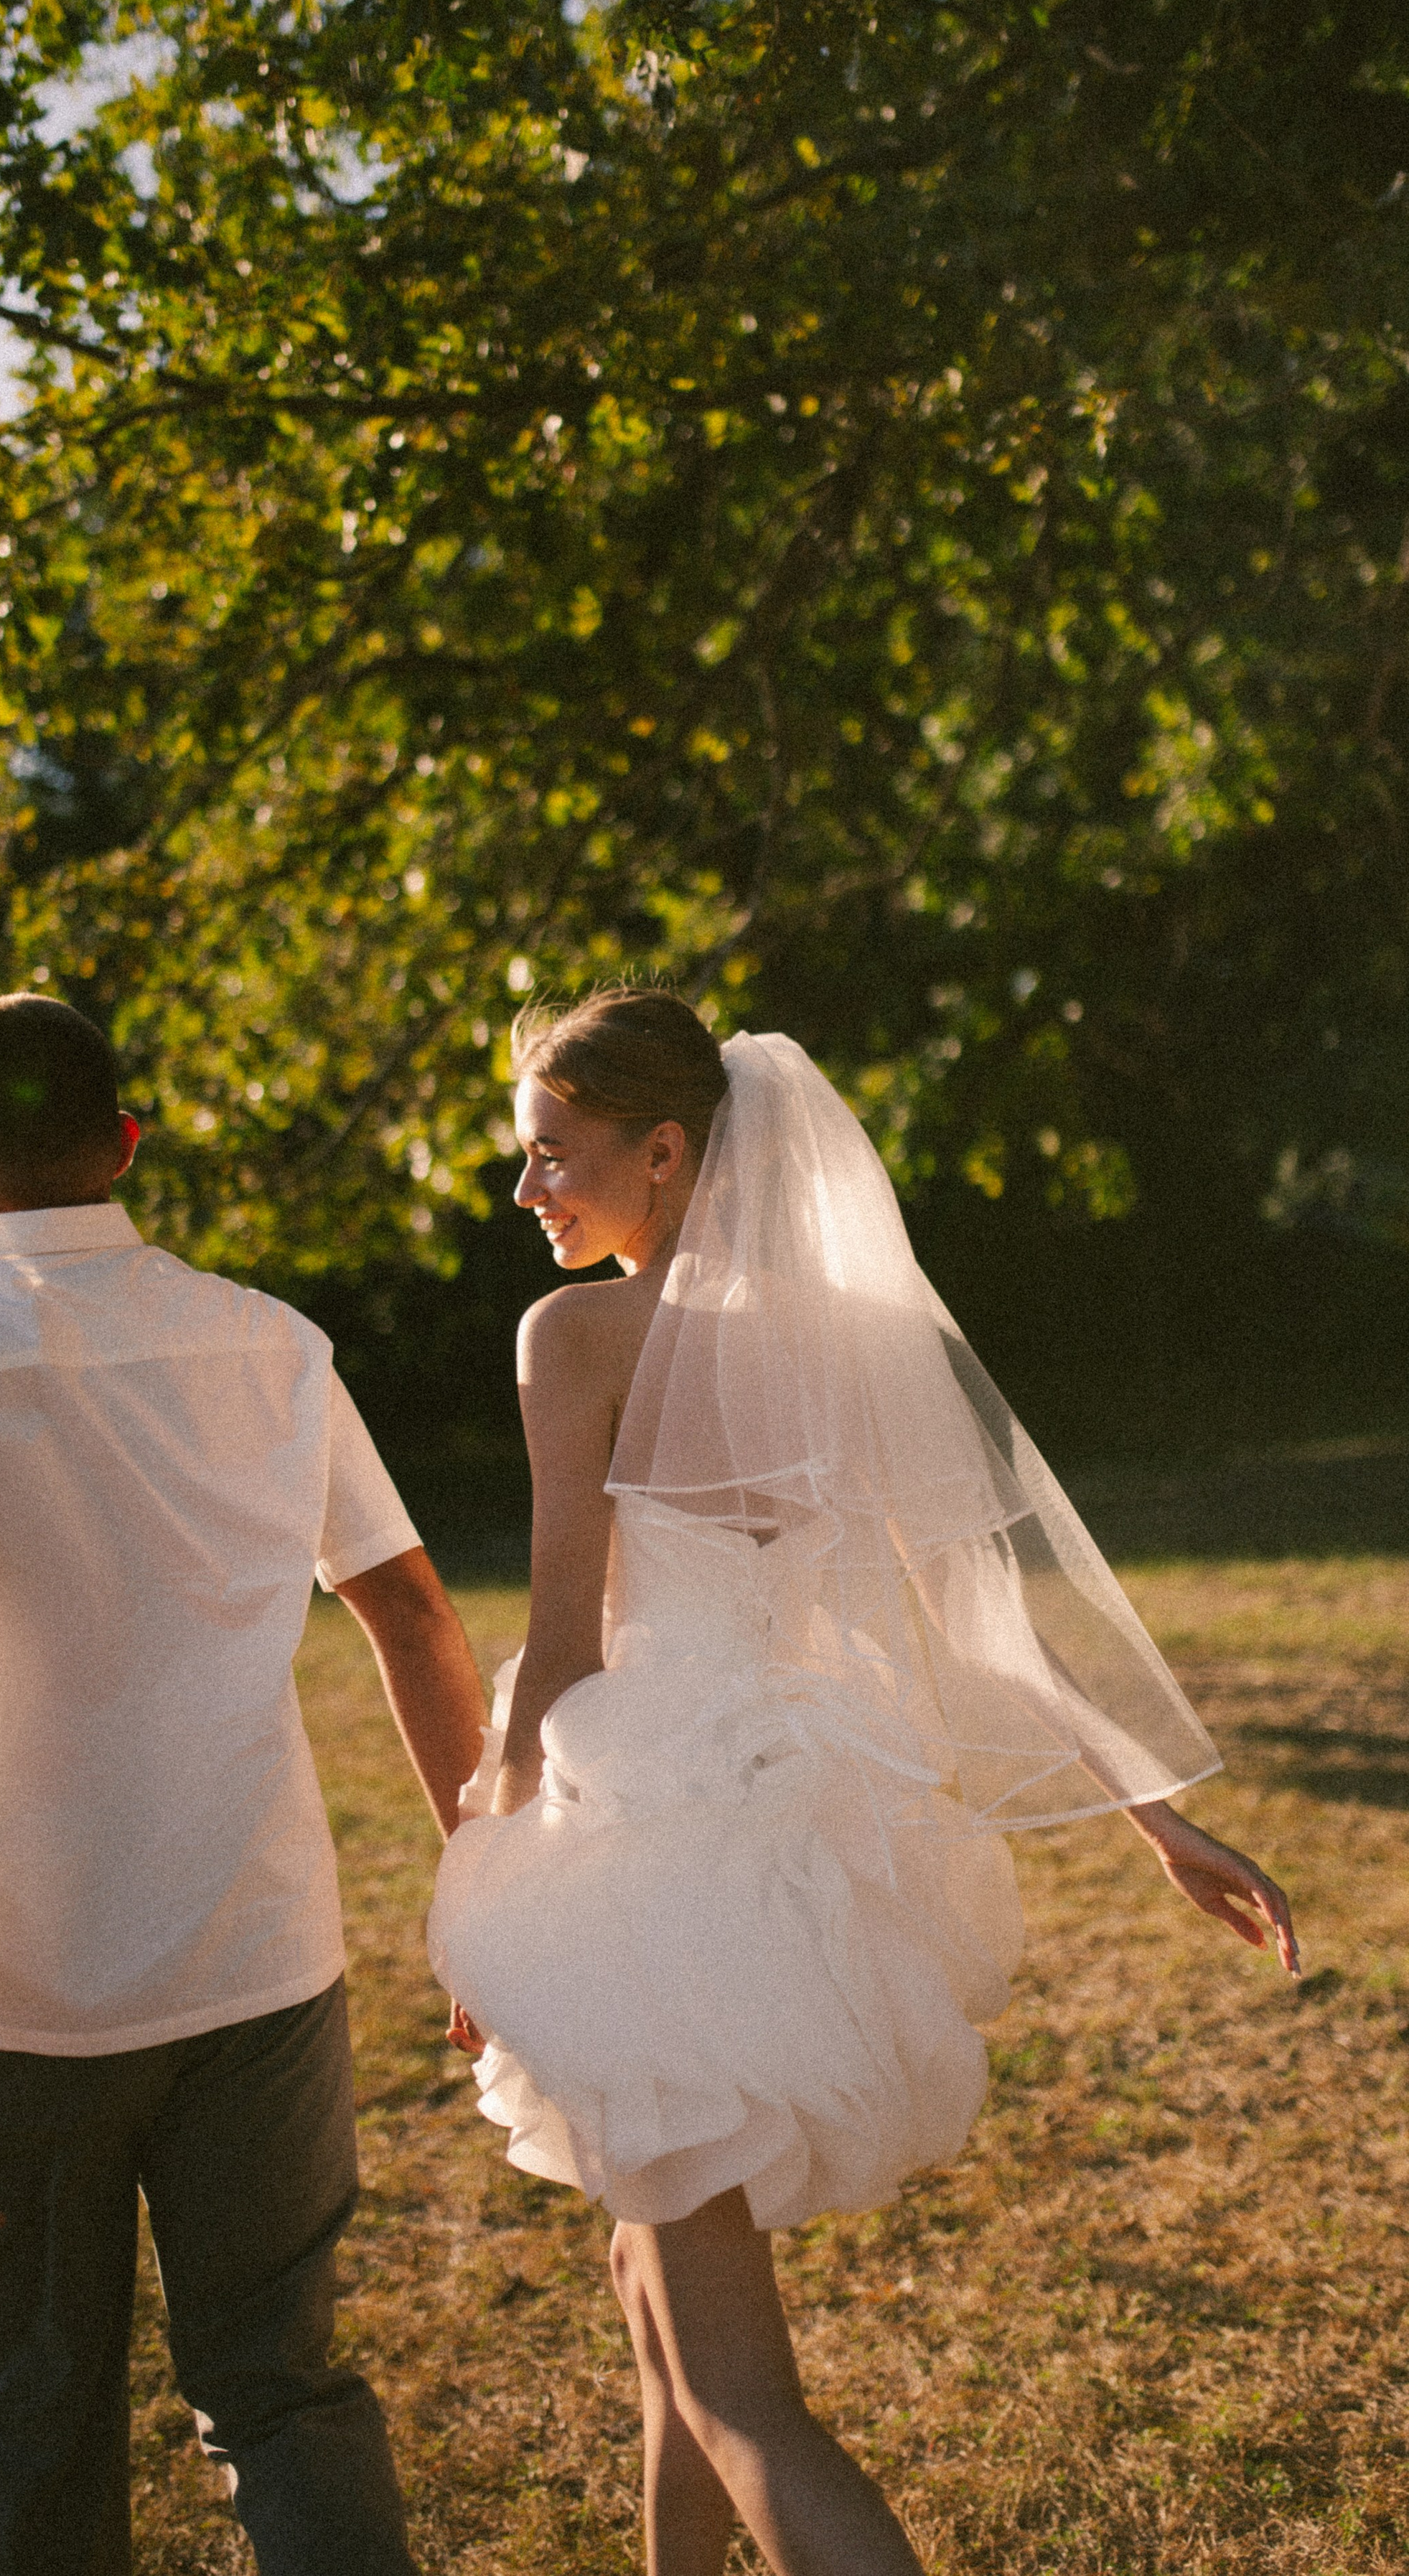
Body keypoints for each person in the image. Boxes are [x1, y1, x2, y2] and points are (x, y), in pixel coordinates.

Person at [430, 987, 1298, 2576]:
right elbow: (990, 1629)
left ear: (668, 1148)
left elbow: (557, 1648)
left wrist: (478, 1897)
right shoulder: (855, 1345)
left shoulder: (575, 1340)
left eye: (552, 1155)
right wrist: (1151, 1818)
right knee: (653, 2318)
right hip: (797, 1840)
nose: (526, 1190)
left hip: (650, 1858)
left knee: (741, 2395)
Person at [0, 991, 487, 2576]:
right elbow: (410, 1609)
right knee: (283, 2392)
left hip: (15, 2002)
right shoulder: (272, 1342)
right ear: (124, 1145)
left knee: (38, 2406)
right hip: (261, 1967)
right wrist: (487, 1889)